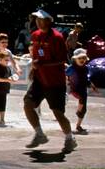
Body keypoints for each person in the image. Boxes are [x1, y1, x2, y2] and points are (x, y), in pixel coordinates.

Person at [24, 9, 76, 152]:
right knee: (28, 104)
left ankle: (70, 138)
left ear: (48, 21)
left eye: (40, 19)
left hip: (55, 82)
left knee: (57, 112)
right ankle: (39, 134)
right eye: (36, 20)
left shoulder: (57, 38)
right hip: (39, 79)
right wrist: (34, 69)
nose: (38, 22)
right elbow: (36, 55)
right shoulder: (35, 35)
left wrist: (42, 65)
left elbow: (61, 60)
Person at [66, 47, 99, 135]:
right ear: (75, 59)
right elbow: (64, 74)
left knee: (84, 110)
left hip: (83, 89)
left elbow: (86, 80)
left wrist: (93, 86)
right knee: (82, 97)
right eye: (79, 58)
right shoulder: (72, 68)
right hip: (74, 89)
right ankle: (78, 111)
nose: (82, 60)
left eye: (84, 58)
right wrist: (66, 80)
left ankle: (78, 125)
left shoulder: (85, 68)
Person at [0, 47, 16, 126]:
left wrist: (13, 79)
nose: (8, 62)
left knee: (2, 106)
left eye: (8, 60)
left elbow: (10, 77)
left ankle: (2, 119)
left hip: (4, 91)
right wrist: (7, 80)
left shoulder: (8, 68)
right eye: (6, 60)